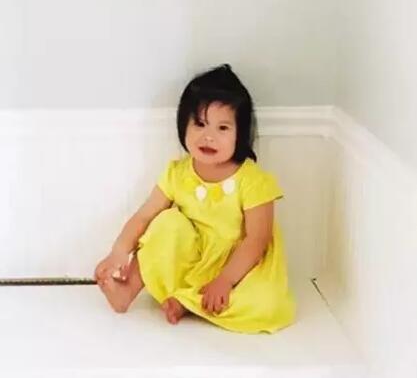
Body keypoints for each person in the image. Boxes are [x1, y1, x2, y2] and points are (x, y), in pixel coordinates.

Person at [94, 64, 296, 333]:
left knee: (267, 302)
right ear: (184, 125)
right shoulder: (177, 173)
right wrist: (119, 251)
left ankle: (189, 302)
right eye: (199, 124)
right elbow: (144, 215)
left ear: (240, 134)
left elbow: (257, 239)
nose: (208, 136)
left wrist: (225, 281)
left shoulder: (252, 180)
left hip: (237, 268)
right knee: (165, 223)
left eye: (222, 128)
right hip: (192, 263)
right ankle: (128, 290)